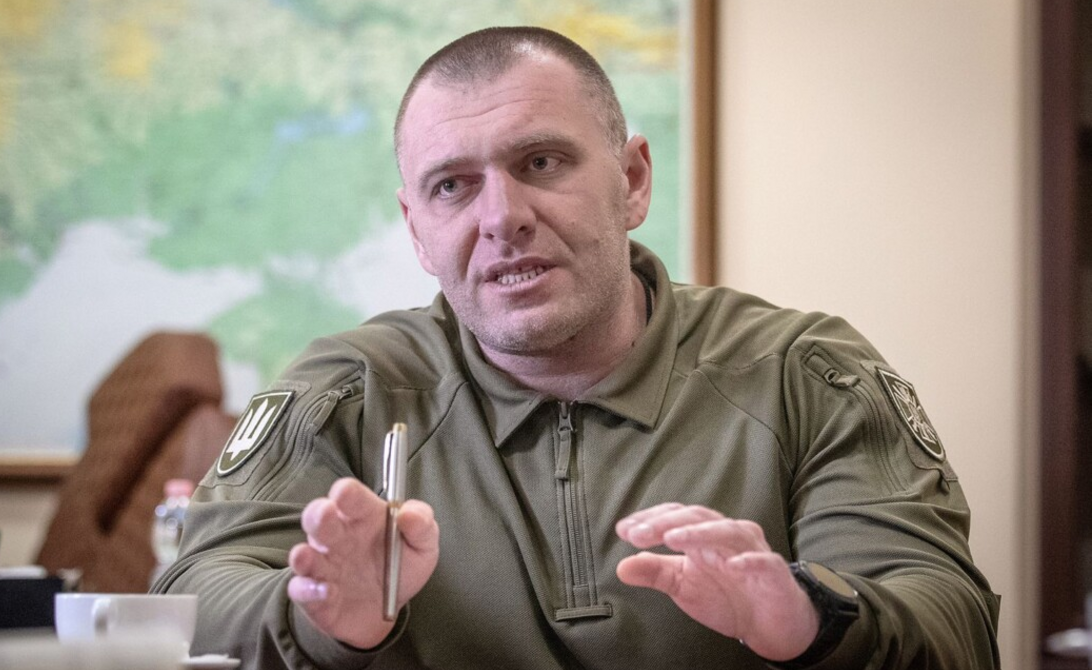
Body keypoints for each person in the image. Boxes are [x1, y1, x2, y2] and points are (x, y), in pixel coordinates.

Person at [153, 26, 1000, 669]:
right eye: (453, 186)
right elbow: (187, 603)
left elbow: (953, 623)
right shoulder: (351, 387)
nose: (501, 218)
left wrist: (811, 617)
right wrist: (319, 617)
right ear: (417, 228)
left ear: (632, 180)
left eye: (542, 162)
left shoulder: (806, 372)